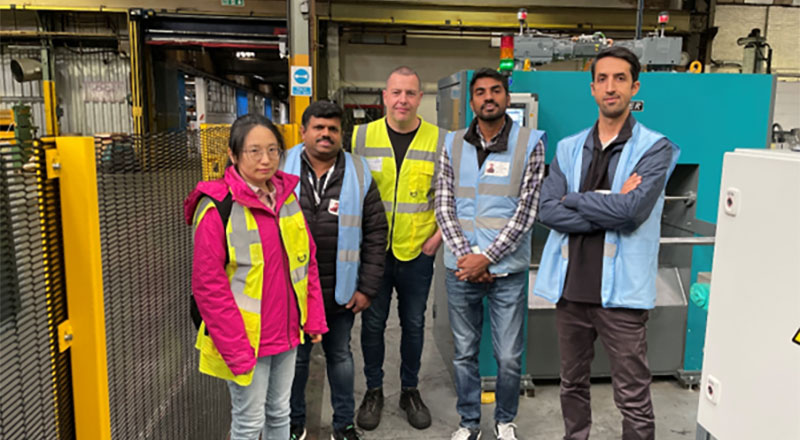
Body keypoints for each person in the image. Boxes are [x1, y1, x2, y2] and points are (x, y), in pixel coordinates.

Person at [533, 46, 680, 440]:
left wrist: (577, 197)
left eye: (619, 79)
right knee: (572, 384)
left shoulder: (655, 148)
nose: (610, 87)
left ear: (635, 86)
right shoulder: (567, 148)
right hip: (572, 289)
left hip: (623, 295)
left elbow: (632, 213)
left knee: (632, 392)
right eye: (602, 79)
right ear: (592, 88)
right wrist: (608, 202)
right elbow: (547, 211)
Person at [184, 114, 328, 440]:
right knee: (249, 423)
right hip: (246, 340)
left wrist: (314, 318)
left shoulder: (287, 197)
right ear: (234, 156)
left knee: (280, 413)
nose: (266, 160)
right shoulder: (217, 208)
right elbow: (209, 288)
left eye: (273, 150)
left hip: (287, 333)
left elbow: (307, 262)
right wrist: (235, 350)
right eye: (254, 151)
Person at [435, 68, 546, 440]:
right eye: (480, 92)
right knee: (464, 353)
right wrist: (469, 257)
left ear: (506, 98)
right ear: (471, 102)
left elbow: (527, 212)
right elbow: (444, 205)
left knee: (509, 357)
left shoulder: (530, 143)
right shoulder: (451, 144)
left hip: (507, 272)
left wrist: (488, 258)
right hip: (461, 269)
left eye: (495, 91)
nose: (488, 98)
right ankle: (469, 423)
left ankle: (504, 420)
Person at [282, 101, 387, 440]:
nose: (326, 134)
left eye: (332, 129)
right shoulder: (281, 167)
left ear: (342, 134)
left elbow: (375, 232)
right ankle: (294, 422)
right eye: (319, 127)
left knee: (339, 356)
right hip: (292, 291)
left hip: (341, 290)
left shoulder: (359, 172)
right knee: (296, 362)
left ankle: (343, 424)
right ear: (303, 131)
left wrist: (367, 288)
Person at [351, 66, 447, 431]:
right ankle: (373, 390)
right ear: (384, 96)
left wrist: (435, 241)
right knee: (372, 325)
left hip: (417, 251)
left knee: (414, 324)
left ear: (420, 98)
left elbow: (446, 195)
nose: (402, 100)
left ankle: (410, 389)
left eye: (410, 93)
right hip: (373, 253)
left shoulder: (440, 140)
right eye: (396, 93)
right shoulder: (361, 137)